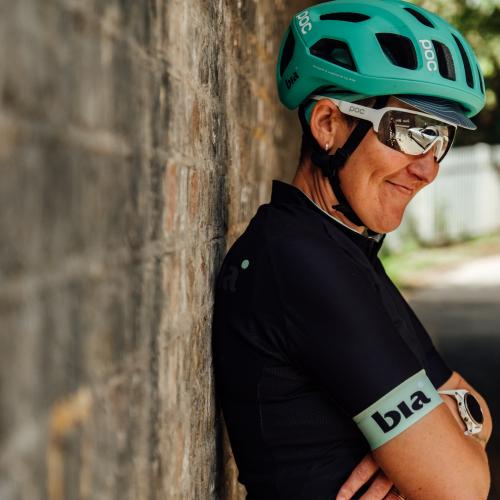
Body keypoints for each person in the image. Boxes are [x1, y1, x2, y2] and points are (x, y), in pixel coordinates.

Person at [212, 1, 493, 498]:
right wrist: (438, 438)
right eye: (410, 131)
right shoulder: (303, 263)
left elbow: (475, 409)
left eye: (439, 139)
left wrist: (449, 429)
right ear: (327, 124)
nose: (428, 168)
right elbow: (462, 485)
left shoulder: (343, 249)